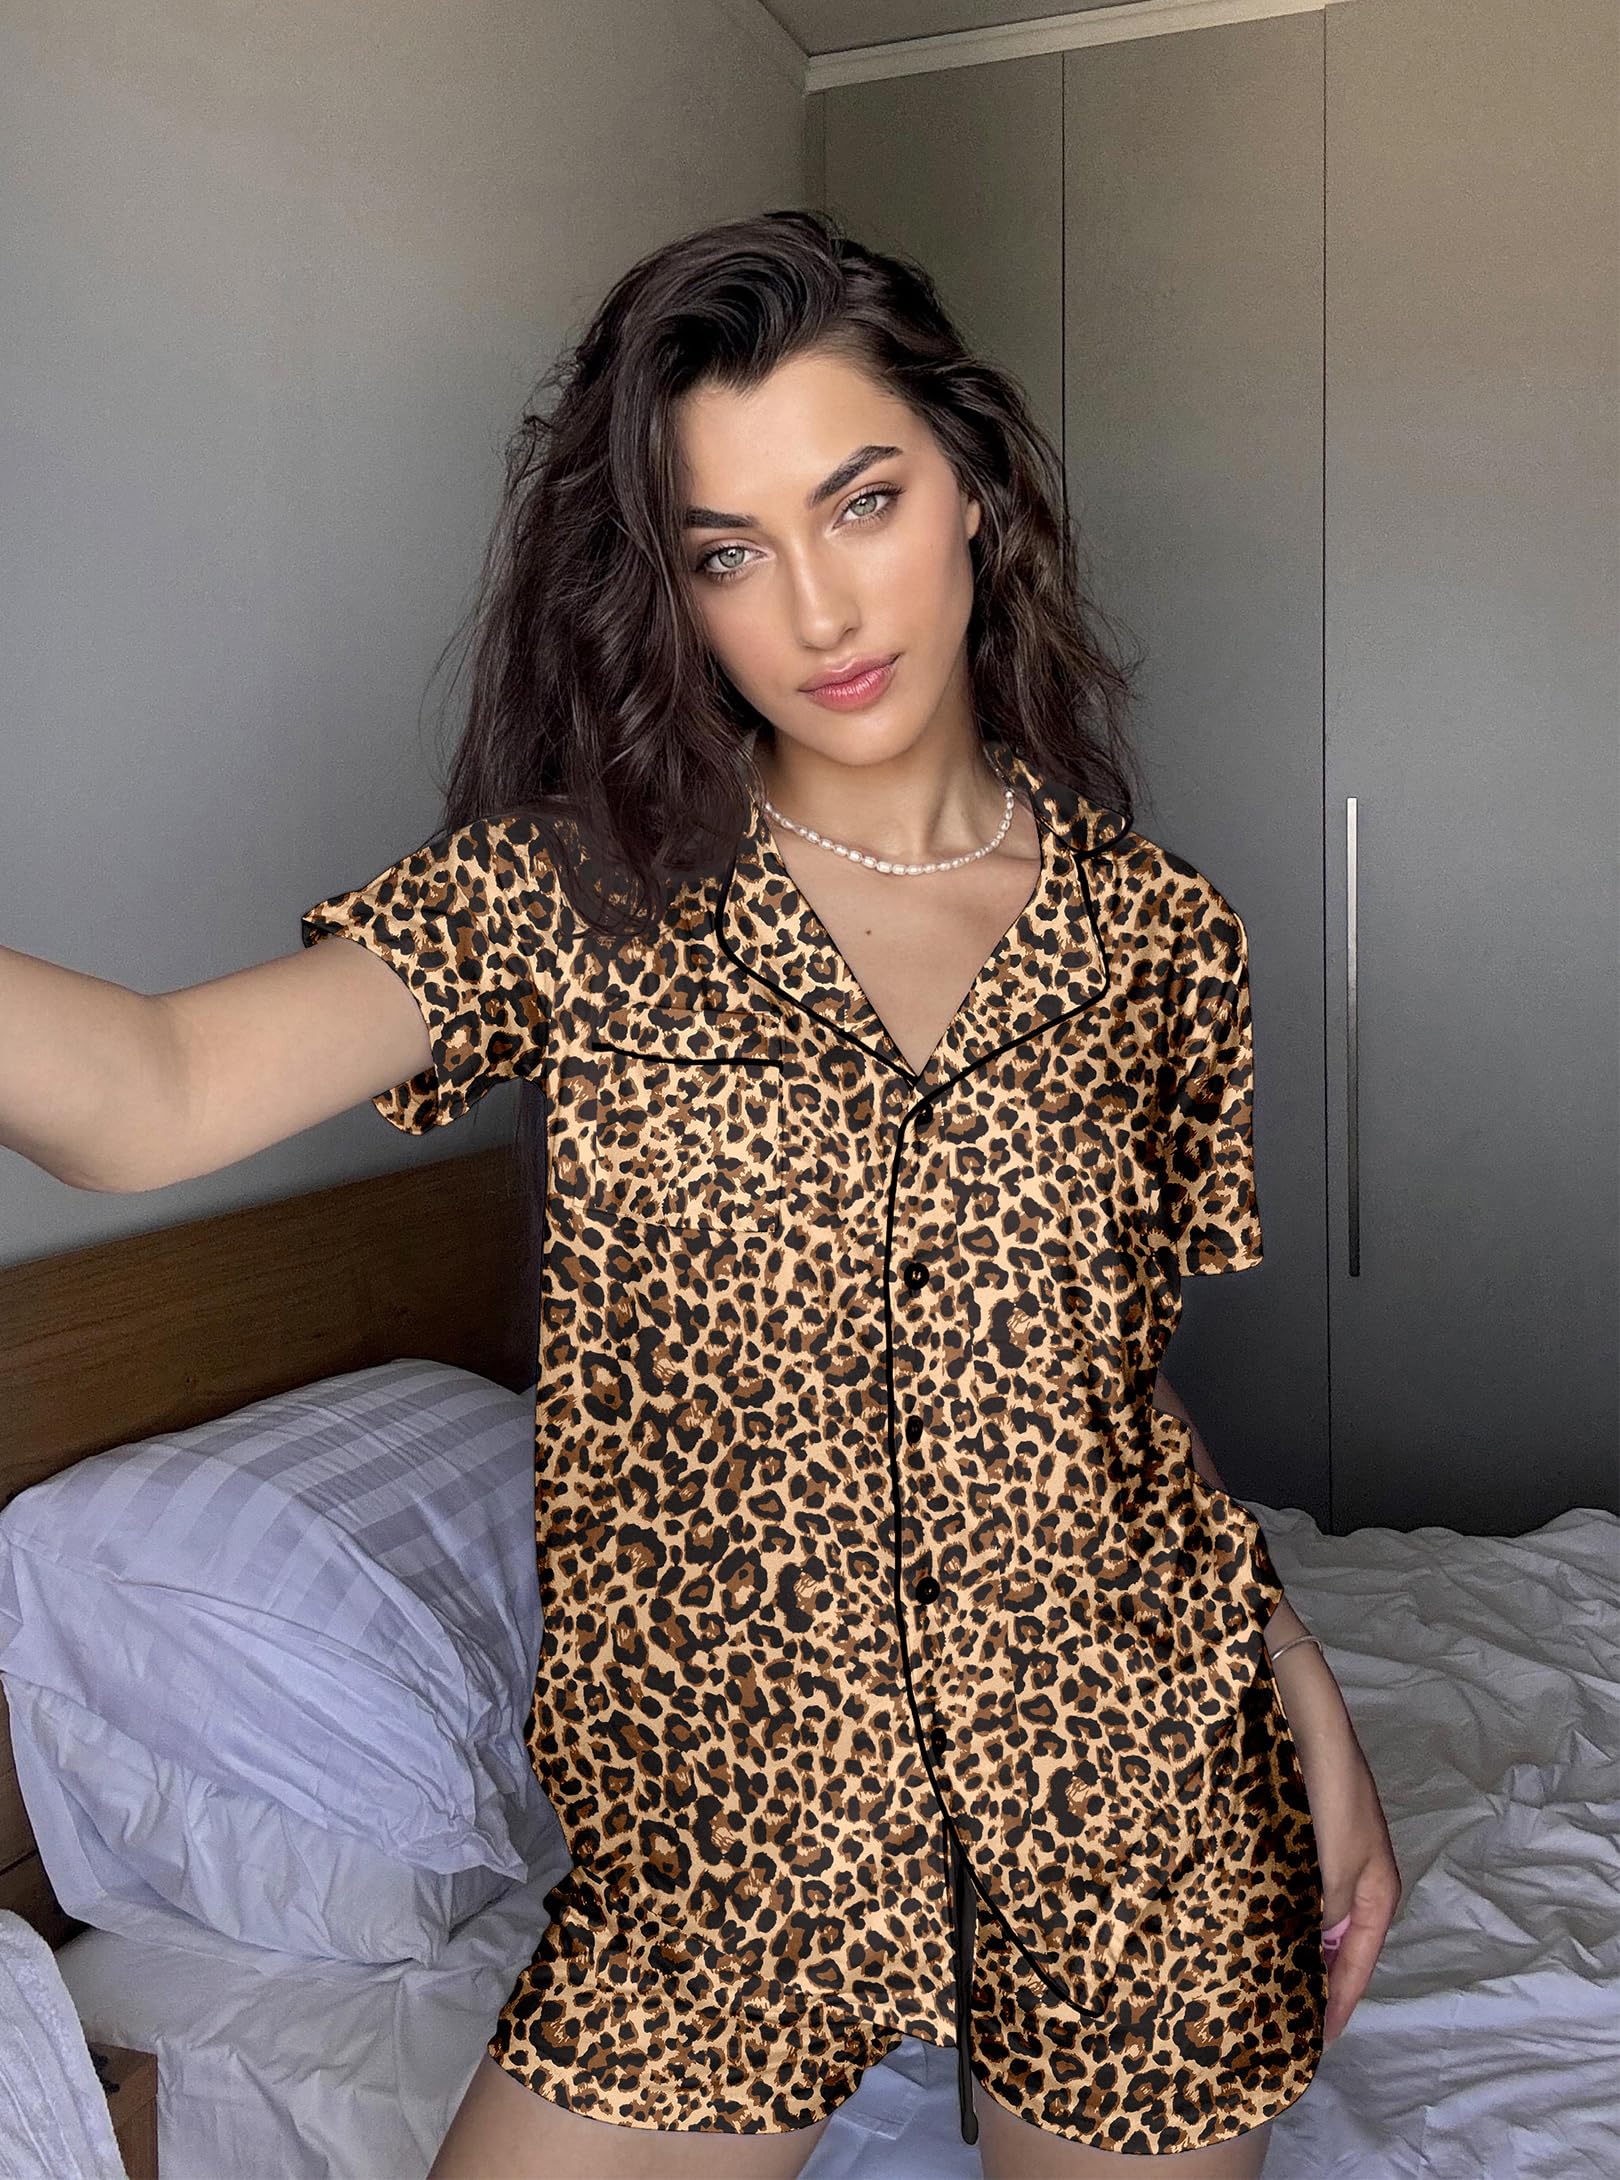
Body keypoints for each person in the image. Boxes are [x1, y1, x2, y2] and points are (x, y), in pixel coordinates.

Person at [1, 209, 1400, 2179]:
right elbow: (149, 1095)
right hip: (728, 1844)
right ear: (672, 594)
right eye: (729, 551)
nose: (820, 609)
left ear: (976, 490)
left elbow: (1098, 1387)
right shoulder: (586, 893)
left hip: (1132, 1805)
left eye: (862, 501)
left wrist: (1293, 1677)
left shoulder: (1162, 938)